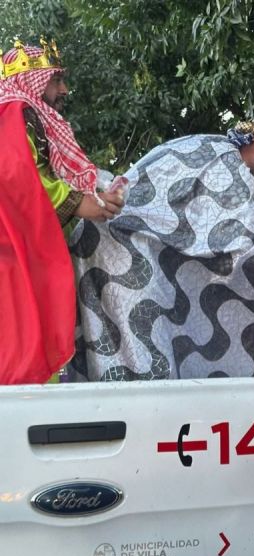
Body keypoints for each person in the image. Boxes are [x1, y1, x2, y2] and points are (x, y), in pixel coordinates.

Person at [68, 114, 254, 381]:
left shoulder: (221, 157)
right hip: (122, 260)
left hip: (127, 256)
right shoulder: (228, 169)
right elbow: (250, 257)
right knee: (144, 374)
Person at [0, 37, 124, 384]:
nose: (64, 89)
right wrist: (81, 203)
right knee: (22, 356)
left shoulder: (23, 115)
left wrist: (93, 197)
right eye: (56, 79)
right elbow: (15, 177)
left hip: (21, 252)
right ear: (33, 80)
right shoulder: (16, 111)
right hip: (11, 260)